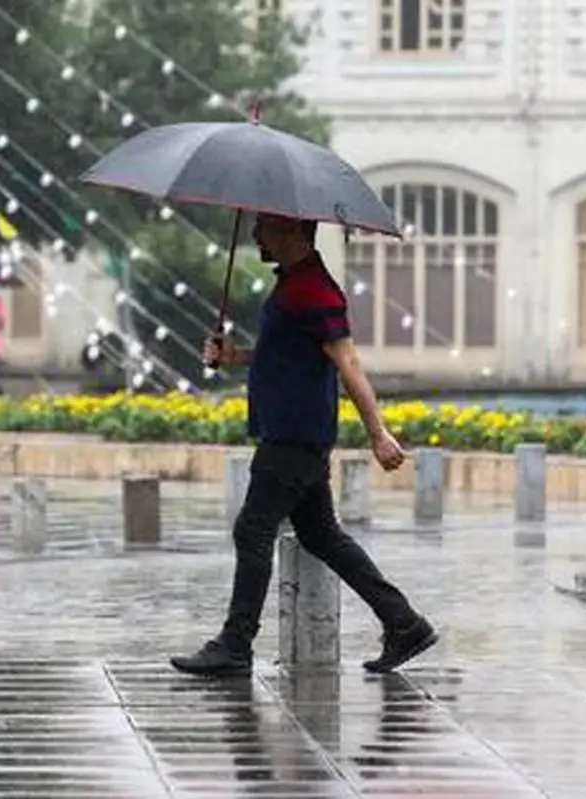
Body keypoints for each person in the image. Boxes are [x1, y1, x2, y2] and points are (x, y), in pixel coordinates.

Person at [170, 212, 437, 678]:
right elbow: (288, 352)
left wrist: (378, 434)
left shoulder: (314, 290)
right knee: (321, 535)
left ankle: (235, 645)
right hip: (297, 433)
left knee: (252, 530)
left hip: (294, 437)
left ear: (293, 232)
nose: (255, 236)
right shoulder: (295, 283)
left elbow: (347, 360)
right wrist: (235, 356)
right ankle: (404, 623)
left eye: (265, 228)